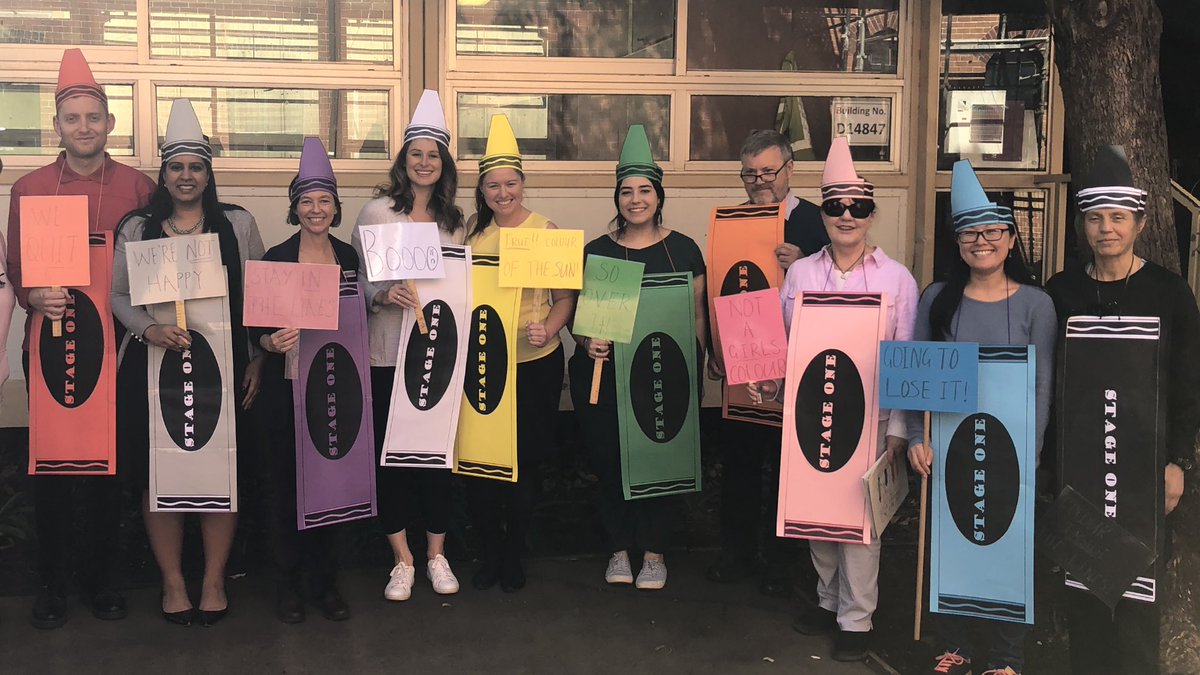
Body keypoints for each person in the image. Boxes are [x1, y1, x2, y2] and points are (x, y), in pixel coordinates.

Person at [5, 48, 156, 629]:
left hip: (116, 350)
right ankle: (51, 585)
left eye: (94, 117)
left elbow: (147, 268)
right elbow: (18, 268)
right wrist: (31, 295)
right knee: (50, 474)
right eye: (73, 118)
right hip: (50, 346)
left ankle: (100, 581)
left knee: (107, 475)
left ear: (110, 123)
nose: (84, 127)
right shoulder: (31, 187)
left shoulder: (139, 189)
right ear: (58, 127)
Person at [751, 137, 917, 661]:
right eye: (836, 207)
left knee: (859, 520)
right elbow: (783, 342)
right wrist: (771, 382)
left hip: (871, 416)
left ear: (870, 214)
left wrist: (898, 428)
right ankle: (827, 599)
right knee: (815, 512)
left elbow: (906, 356)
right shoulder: (801, 274)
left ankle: (857, 618)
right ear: (822, 212)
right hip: (810, 406)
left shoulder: (897, 279)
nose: (846, 216)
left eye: (858, 208)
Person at [1045, 145, 1200, 675]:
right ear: (1083, 225)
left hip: (1142, 469)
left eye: (1116, 218)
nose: (1105, 228)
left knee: (1138, 594)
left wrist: (1178, 460)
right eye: (1094, 218)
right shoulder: (1062, 292)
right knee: (1085, 589)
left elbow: (1187, 383)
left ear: (1138, 223)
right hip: (1080, 469)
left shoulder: (1168, 292)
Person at [111, 98, 265, 627]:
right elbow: (118, 296)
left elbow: (259, 300)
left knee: (219, 466)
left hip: (223, 369)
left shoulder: (237, 226)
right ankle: (173, 581)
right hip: (153, 369)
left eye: (195, 166)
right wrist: (148, 328)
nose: (186, 176)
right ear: (164, 173)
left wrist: (257, 361)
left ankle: (213, 579)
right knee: (163, 468)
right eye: (176, 167)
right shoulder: (139, 227)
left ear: (208, 173)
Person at [907, 161, 1056, 675]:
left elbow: (1042, 385)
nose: (981, 241)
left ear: (1011, 239)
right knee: (952, 541)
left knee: (1007, 544)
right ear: (958, 240)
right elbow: (916, 372)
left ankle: (1006, 655)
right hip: (948, 441)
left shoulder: (1038, 305)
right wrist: (912, 437)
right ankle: (955, 644)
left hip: (1012, 449)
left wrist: (1031, 454)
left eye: (993, 231)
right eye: (970, 231)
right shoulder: (936, 299)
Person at [568, 125, 708, 590]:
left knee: (660, 457)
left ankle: (653, 552)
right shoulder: (599, 252)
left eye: (644, 190)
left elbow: (697, 315)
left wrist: (702, 363)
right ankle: (617, 550)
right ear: (617, 199)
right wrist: (587, 342)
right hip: (606, 379)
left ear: (658, 195)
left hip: (664, 373)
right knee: (611, 461)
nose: (635, 200)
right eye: (626, 191)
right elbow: (579, 318)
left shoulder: (683, 250)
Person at [351, 90, 465, 602]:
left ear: (444, 164)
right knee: (391, 460)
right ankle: (403, 559)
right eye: (416, 154)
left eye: (433, 155)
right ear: (404, 161)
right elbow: (355, 280)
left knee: (437, 459)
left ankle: (438, 554)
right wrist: (381, 293)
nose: (424, 163)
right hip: (385, 353)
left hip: (439, 353)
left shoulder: (455, 221)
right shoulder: (376, 213)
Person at [707, 129, 830, 596]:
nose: (759, 181)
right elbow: (719, 289)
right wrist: (716, 350)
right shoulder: (731, 222)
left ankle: (781, 563)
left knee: (787, 469)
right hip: (746, 359)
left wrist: (806, 262)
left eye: (768, 172)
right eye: (750, 173)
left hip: (799, 365)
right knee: (739, 460)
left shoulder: (819, 223)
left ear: (790, 170)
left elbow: (842, 280)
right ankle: (736, 554)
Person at [464, 114, 574, 592]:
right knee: (482, 461)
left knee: (525, 461)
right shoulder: (473, 231)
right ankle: (489, 551)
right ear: (483, 190)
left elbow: (566, 297)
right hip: (483, 362)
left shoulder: (545, 231)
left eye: (510, 184)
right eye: (493, 185)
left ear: (523, 184)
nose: (502, 193)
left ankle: (514, 554)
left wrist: (548, 329)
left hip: (533, 365)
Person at [253, 138, 359, 624]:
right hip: (287, 392)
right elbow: (255, 327)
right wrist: (269, 344)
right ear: (294, 208)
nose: (316, 209)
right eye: (306, 201)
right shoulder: (275, 258)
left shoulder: (350, 258)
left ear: (336, 208)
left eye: (324, 201)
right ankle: (289, 585)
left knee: (333, 485)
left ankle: (327, 583)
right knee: (285, 487)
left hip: (336, 387)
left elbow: (360, 321)